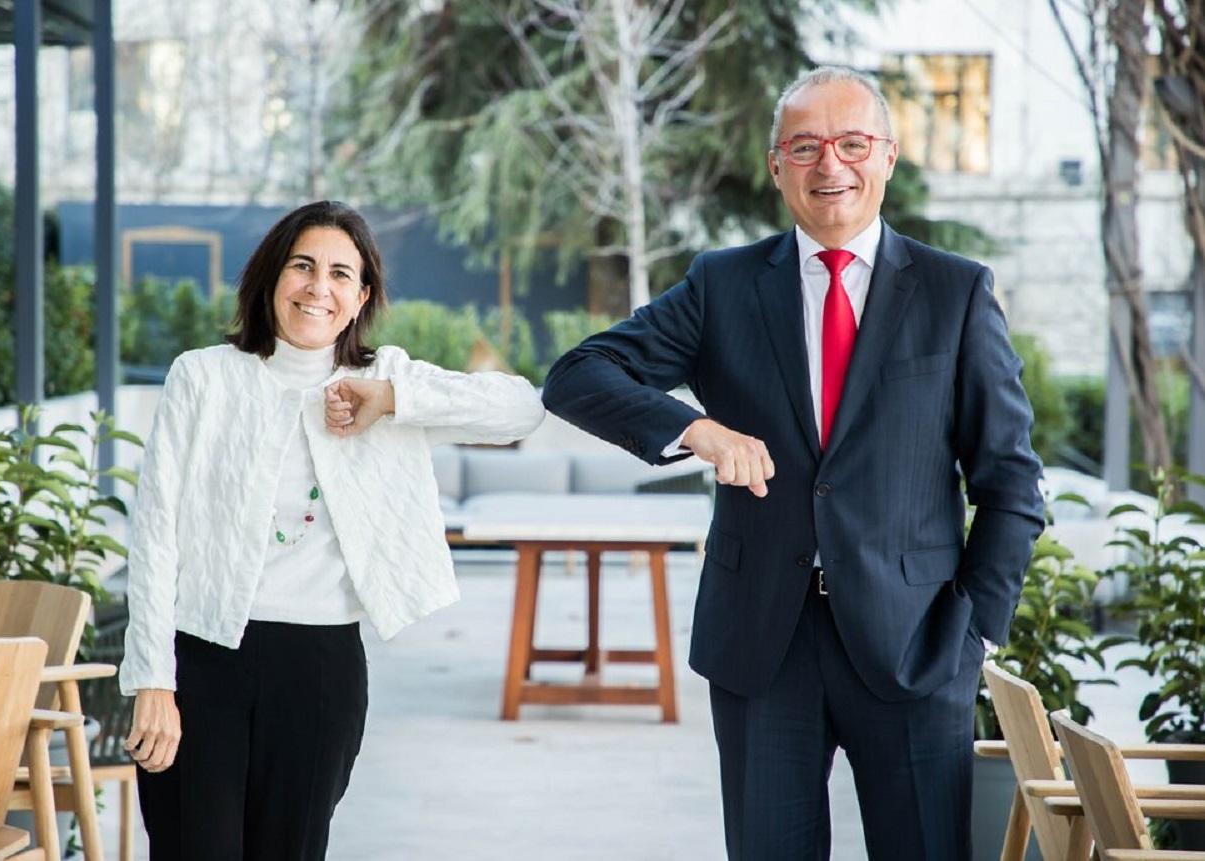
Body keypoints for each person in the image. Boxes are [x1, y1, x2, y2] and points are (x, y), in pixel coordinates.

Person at [542, 67, 1044, 859]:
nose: (829, 166)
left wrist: (975, 632)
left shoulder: (956, 293)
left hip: (916, 645)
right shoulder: (723, 284)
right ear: (777, 166)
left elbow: (1012, 482)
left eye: (852, 143)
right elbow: (577, 375)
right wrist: (696, 429)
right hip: (762, 646)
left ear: (887, 156)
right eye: (805, 147)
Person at [119, 200, 544, 860]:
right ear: (271, 276)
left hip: (320, 669)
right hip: (202, 661)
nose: (319, 287)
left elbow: (523, 408)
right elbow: (154, 537)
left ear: (361, 295)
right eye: (303, 266)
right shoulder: (203, 376)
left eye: (341, 274)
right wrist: (152, 678)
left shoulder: (381, 382)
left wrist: (396, 400)